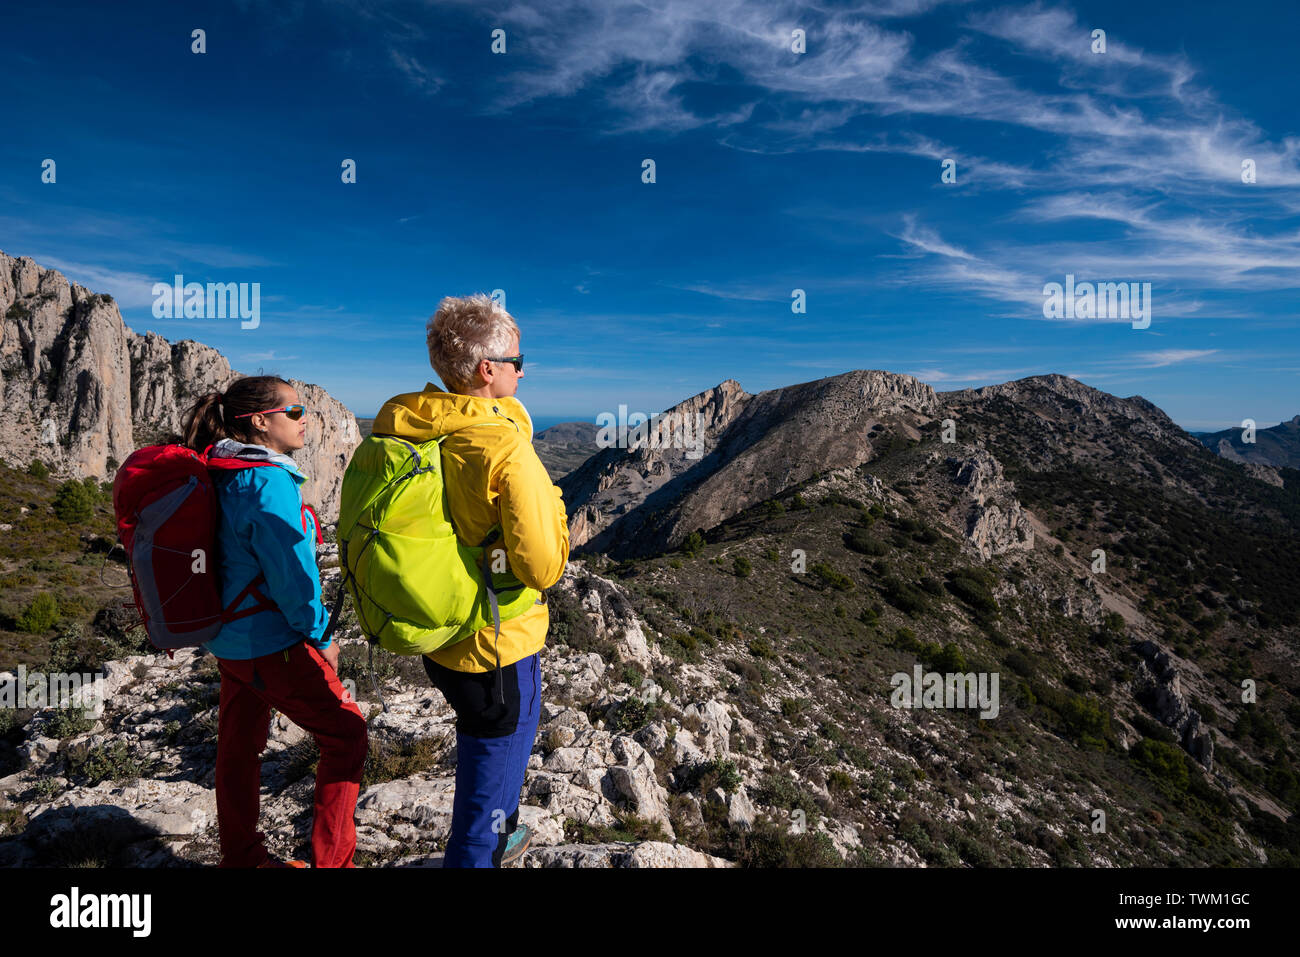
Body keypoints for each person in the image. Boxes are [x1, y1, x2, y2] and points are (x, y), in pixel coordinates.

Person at [371, 293, 569, 867]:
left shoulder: (404, 426)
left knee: (484, 742)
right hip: (498, 642)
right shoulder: (503, 445)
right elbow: (542, 568)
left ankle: (497, 837)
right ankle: (478, 854)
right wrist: (553, 505)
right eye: (516, 359)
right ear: (489, 370)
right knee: (493, 762)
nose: (523, 369)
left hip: (441, 629)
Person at [181, 375, 368, 868]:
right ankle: (335, 863)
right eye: (294, 412)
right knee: (346, 736)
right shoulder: (266, 481)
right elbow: (294, 579)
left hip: (228, 639)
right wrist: (321, 634)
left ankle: (241, 857)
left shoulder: (218, 468)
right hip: (270, 643)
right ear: (260, 422)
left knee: (239, 747)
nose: (306, 419)